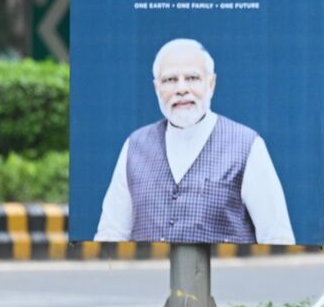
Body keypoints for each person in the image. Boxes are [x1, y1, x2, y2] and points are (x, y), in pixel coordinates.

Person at [95, 38, 294, 244]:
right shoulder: (134, 146)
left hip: (226, 276)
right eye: (170, 80)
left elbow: (277, 237)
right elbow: (111, 234)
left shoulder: (247, 145)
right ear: (157, 88)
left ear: (211, 84)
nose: (181, 89)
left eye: (192, 78)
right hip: (149, 276)